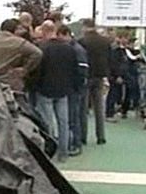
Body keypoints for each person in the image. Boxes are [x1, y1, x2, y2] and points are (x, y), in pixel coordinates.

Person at [36, 20, 80, 162]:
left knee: (48, 122)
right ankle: (63, 152)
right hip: (64, 89)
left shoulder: (42, 48)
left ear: (43, 31)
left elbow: (38, 71)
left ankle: (50, 152)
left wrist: (35, 85)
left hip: (45, 89)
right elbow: (75, 70)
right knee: (63, 122)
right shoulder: (69, 49)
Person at [0, 18, 43, 92]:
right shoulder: (19, 42)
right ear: (15, 29)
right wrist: (25, 69)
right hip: (11, 82)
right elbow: (38, 53)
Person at [57, 25, 88, 156]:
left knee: (73, 117)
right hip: (73, 87)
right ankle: (74, 142)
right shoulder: (74, 48)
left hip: (74, 88)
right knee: (72, 116)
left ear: (66, 34)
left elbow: (82, 70)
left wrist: (76, 85)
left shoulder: (76, 50)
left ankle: (76, 144)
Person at [79, 19, 110, 144]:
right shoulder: (104, 41)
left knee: (83, 108)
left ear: (85, 27)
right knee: (99, 107)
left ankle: (83, 136)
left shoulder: (82, 41)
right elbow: (108, 58)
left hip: (86, 76)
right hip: (99, 76)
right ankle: (101, 136)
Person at [106, 32, 129, 122]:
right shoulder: (115, 50)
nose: (126, 40)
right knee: (113, 94)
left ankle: (113, 111)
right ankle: (109, 113)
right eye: (124, 38)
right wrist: (118, 75)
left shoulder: (122, 50)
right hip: (115, 76)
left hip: (120, 75)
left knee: (117, 94)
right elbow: (114, 64)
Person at [122, 37, 144, 118]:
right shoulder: (126, 50)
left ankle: (137, 108)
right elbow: (132, 58)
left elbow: (143, 60)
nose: (132, 44)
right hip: (128, 74)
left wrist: (141, 57)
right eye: (131, 43)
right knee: (129, 93)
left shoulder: (136, 51)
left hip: (135, 73)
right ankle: (125, 109)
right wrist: (138, 56)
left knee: (136, 92)